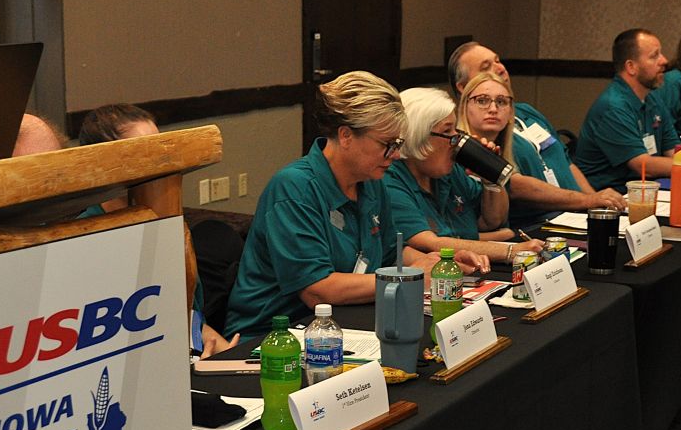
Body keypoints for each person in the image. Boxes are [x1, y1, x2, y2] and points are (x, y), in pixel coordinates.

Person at [225, 71, 490, 338]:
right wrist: (411, 277)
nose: (396, 154)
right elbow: (318, 290)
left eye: (398, 143)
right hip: (273, 338)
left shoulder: (372, 181)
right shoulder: (295, 189)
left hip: (346, 324)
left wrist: (437, 265)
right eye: (387, 144)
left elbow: (391, 253)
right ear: (346, 136)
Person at [76, 103, 238, 357]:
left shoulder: (166, 223)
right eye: (144, 152)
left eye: (161, 148)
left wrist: (223, 352)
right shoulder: (86, 236)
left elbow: (188, 318)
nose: (160, 163)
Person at [448, 42, 625, 229]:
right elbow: (511, 190)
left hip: (577, 215)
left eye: (498, 61)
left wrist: (597, 204)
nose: (499, 69)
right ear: (463, 88)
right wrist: (587, 201)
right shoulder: (466, 142)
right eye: (486, 67)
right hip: (540, 222)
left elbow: (566, 161)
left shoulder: (525, 113)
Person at [574, 29, 681, 193]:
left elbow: (674, 151)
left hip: (646, 190)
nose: (664, 61)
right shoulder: (614, 106)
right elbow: (642, 165)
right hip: (611, 196)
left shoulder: (651, 98)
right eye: (654, 56)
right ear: (631, 67)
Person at [386, 87, 544, 261]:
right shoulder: (391, 180)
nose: (458, 140)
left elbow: (491, 222)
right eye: (447, 131)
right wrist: (511, 251)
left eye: (456, 130)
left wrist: (489, 178)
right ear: (418, 136)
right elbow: (431, 243)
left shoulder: (449, 171)